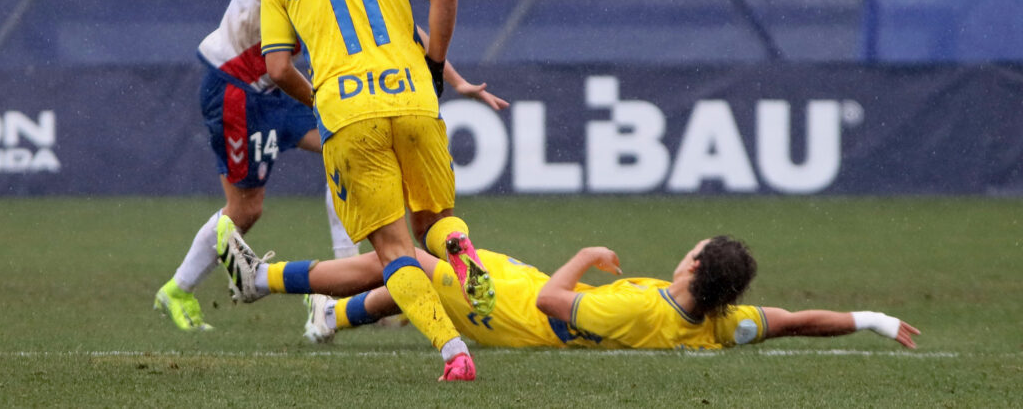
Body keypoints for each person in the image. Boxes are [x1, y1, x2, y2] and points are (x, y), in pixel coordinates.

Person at [129, 0, 506, 336]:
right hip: (237, 85)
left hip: (286, 87)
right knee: (246, 210)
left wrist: (457, 79)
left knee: (347, 153)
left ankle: (351, 285)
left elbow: (399, 28)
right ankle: (177, 288)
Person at [223, 0, 488, 381]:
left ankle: (454, 351)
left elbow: (277, 67)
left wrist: (318, 98)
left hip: (349, 113)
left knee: (392, 250)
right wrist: (434, 63)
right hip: (414, 100)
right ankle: (461, 250)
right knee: (434, 220)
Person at [288, 236, 918, 352]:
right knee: (421, 269)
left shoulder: (637, 307)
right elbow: (796, 321)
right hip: (520, 290)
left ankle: (268, 278)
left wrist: (586, 256)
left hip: (510, 312)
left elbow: (551, 305)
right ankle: (332, 318)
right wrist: (872, 319)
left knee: (403, 258)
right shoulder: (725, 325)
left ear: (694, 267)